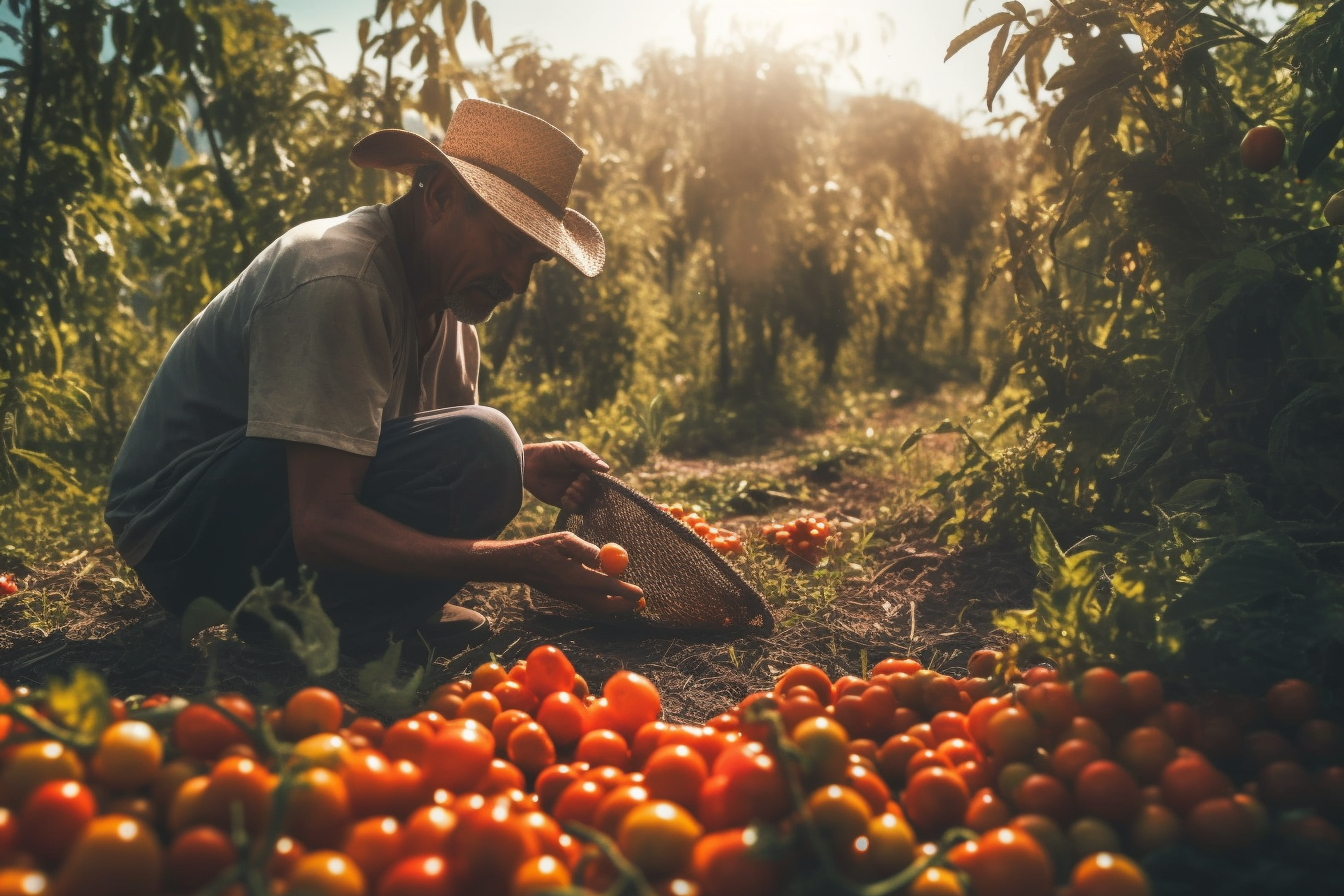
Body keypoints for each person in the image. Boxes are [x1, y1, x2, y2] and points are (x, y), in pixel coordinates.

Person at [104, 99, 644, 658]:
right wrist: (513, 562)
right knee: (484, 442)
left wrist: (521, 463)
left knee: (489, 451)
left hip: (274, 510)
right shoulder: (340, 277)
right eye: (509, 243)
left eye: (534, 260)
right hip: (177, 534)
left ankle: (337, 609)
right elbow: (321, 520)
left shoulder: (455, 314)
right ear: (437, 197)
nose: (518, 280)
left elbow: (392, 450)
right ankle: (301, 622)